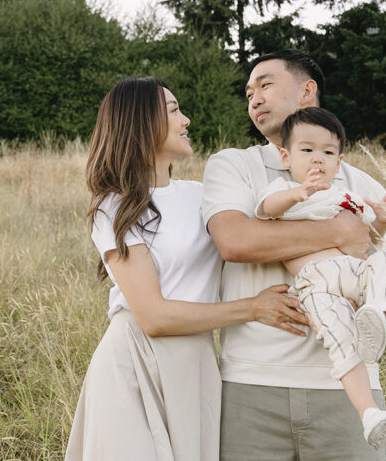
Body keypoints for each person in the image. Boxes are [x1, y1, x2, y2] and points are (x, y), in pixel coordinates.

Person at [65, 76, 308, 461]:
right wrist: (253, 308)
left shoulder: (202, 196)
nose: (187, 119)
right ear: (141, 122)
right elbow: (154, 317)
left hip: (195, 361)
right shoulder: (114, 206)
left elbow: (266, 227)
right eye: (174, 110)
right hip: (134, 360)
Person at [203, 50, 386, 460]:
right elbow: (236, 242)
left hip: (346, 387)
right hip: (251, 383)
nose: (254, 99)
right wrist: (337, 230)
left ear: (306, 91)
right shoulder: (234, 165)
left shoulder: (360, 181)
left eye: (265, 84)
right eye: (248, 93)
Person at [255, 106, 386, 449]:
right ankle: (369, 413)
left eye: (327, 152)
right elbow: (267, 209)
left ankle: (377, 320)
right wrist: (297, 193)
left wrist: (381, 219)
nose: (317, 160)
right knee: (340, 344)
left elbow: (371, 240)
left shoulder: (346, 196)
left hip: (354, 273)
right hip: (316, 284)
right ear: (285, 156)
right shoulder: (279, 190)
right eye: (306, 151)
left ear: (339, 162)